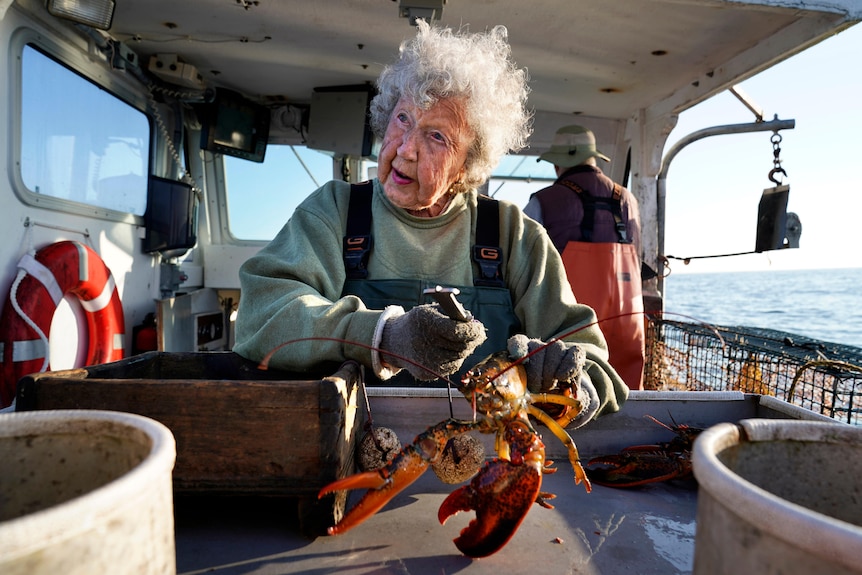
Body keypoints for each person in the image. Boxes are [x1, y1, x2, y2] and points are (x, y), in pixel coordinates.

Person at [234, 22, 627, 428]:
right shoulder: (334, 211)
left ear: (467, 165)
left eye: (437, 136)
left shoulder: (514, 235)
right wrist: (382, 337)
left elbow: (593, 365)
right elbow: (261, 316)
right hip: (350, 451)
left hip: (487, 464)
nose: (405, 148)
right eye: (402, 118)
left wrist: (570, 388)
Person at [524, 125, 646, 390]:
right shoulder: (628, 200)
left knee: (569, 393)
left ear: (559, 164)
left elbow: (522, 262)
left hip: (572, 325)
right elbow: (639, 255)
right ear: (593, 159)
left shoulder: (543, 201)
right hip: (626, 320)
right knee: (625, 393)